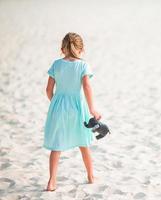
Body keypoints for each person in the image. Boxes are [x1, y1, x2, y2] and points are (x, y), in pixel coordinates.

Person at [43, 32, 101, 191]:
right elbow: (87, 87)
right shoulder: (83, 65)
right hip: (77, 106)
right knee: (83, 143)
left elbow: (48, 89)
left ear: (62, 49)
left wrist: (55, 102)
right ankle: (90, 176)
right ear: (81, 49)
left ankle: (52, 181)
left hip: (59, 107)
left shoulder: (56, 64)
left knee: (57, 145)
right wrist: (92, 109)